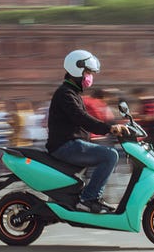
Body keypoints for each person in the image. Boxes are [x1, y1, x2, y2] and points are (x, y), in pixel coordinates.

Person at [46, 50, 128, 213]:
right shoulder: (65, 94)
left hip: (70, 144)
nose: (90, 76)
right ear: (76, 70)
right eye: (88, 72)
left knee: (104, 155)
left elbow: (79, 123)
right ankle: (89, 198)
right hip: (65, 146)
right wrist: (109, 128)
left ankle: (81, 196)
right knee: (110, 155)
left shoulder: (72, 93)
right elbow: (81, 118)